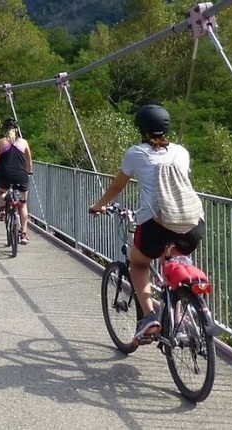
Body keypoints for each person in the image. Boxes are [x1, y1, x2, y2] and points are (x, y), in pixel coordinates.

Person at [89, 104, 205, 343]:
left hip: (156, 224)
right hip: (193, 223)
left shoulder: (136, 153)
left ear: (141, 129)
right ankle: (179, 320)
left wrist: (99, 205)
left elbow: (117, 186)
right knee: (172, 264)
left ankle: (151, 317)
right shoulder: (181, 152)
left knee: (139, 264)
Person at [0, 118, 33, 245]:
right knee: (23, 204)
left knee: (0, 192)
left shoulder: (0, 143)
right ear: (17, 130)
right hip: (21, 176)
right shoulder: (24, 142)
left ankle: (2, 207)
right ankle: (23, 234)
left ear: (4, 130)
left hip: (4, 175)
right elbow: (29, 161)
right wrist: (29, 171)